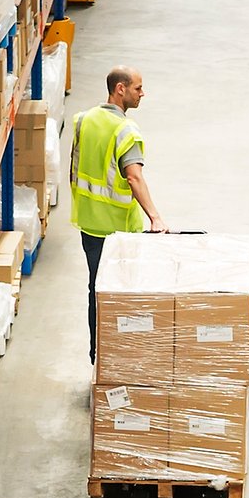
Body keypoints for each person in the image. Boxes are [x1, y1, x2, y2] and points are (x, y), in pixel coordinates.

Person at [68, 67, 164, 353]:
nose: (142, 93)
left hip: (88, 224)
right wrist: (155, 217)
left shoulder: (83, 120)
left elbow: (76, 167)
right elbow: (133, 176)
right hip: (119, 231)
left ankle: (98, 356)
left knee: (96, 292)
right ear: (120, 89)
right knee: (124, 295)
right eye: (138, 88)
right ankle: (123, 355)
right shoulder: (126, 130)